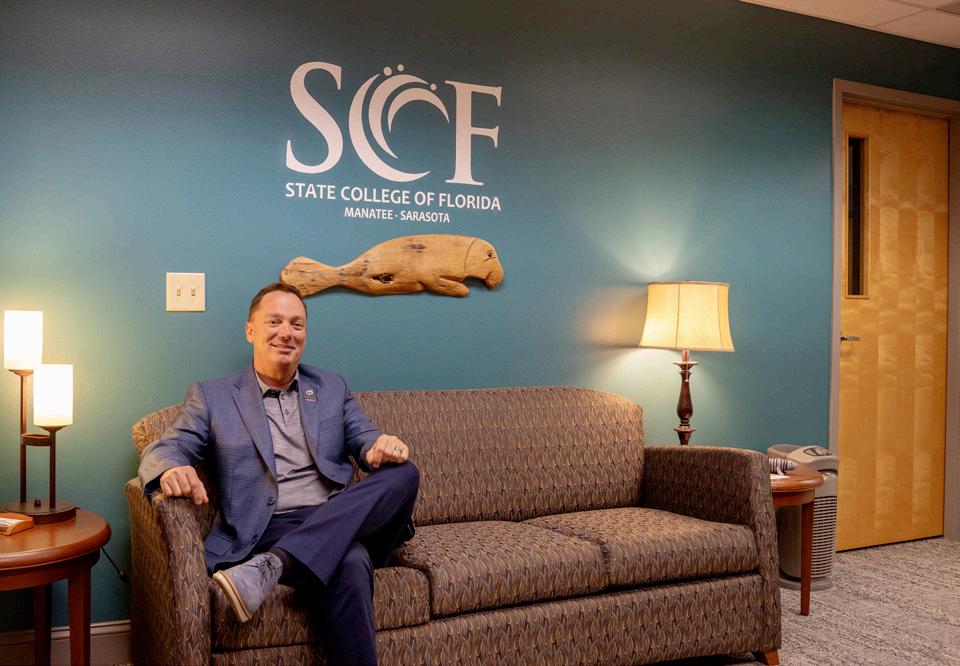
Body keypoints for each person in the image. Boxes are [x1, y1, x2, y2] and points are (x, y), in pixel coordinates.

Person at [138, 282, 419, 666]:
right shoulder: (213, 396)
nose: (286, 333)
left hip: (337, 513)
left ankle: (275, 564)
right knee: (351, 561)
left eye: (296, 324)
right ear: (250, 330)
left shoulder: (331, 387)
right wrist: (172, 466)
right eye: (274, 322)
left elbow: (365, 437)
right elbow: (165, 448)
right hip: (269, 526)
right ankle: (280, 555)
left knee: (405, 473)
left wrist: (379, 447)